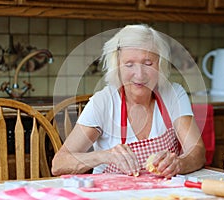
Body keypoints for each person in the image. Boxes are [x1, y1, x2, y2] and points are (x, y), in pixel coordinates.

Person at [52, 24, 206, 178]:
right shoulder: (103, 102)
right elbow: (59, 164)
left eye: (148, 63)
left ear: (160, 65)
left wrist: (179, 163)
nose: (139, 75)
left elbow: (197, 151)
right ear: (117, 67)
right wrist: (103, 156)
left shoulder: (173, 94)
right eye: (129, 64)